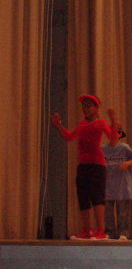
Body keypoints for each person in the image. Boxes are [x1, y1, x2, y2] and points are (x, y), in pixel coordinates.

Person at [50, 94, 119, 240]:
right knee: (83, 197)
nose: (85, 109)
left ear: (96, 108)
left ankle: (101, 231)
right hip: (83, 165)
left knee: (97, 197)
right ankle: (87, 230)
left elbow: (113, 141)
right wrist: (59, 126)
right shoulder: (82, 124)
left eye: (89, 106)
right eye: (84, 106)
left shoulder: (101, 123)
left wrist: (114, 122)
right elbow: (69, 136)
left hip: (97, 165)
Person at [102, 127, 132, 240]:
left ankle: (123, 233)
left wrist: (127, 163)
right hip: (108, 185)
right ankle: (109, 233)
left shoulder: (124, 147)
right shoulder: (103, 149)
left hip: (122, 185)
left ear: (119, 135)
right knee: (108, 212)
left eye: (115, 133)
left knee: (123, 212)